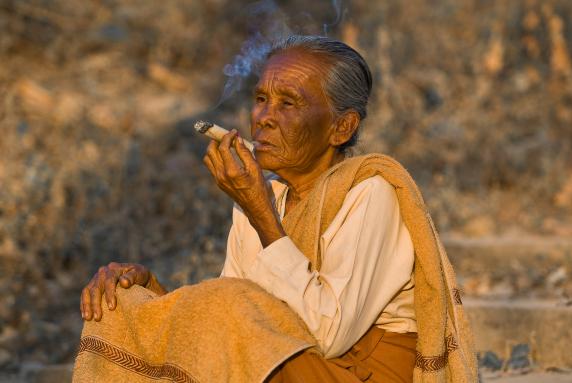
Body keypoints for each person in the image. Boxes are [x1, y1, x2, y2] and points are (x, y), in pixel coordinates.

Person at [79, 36, 476, 383]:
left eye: (289, 103)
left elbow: (328, 334)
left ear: (342, 128)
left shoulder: (369, 192)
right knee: (118, 306)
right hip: (290, 366)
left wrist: (260, 212)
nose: (264, 118)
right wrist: (150, 291)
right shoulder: (263, 198)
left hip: (355, 375)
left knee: (226, 306)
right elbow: (225, 324)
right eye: (261, 99)